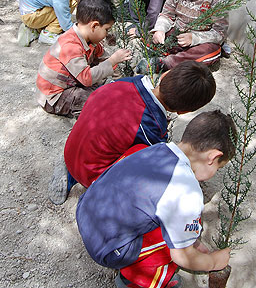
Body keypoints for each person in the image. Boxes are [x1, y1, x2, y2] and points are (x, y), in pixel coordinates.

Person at [76, 110, 236, 288]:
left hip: (85, 210)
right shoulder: (188, 191)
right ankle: (139, 280)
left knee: (180, 223)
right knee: (172, 240)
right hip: (105, 247)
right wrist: (214, 263)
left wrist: (193, 239)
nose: (215, 171)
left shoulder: (158, 148)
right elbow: (182, 256)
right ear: (212, 157)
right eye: (219, 166)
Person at [49, 60, 216, 205]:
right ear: (184, 112)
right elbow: (151, 165)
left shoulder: (126, 83)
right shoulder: (151, 126)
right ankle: (86, 186)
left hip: (71, 149)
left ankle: (69, 168)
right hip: (92, 177)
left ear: (165, 75)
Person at [36, 0, 132, 117]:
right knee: (95, 99)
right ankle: (84, 115)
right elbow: (87, 78)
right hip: (55, 97)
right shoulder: (70, 46)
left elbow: (105, 58)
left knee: (103, 86)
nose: (107, 34)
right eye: (106, 29)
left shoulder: (90, 40)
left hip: (72, 83)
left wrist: (122, 83)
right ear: (94, 26)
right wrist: (113, 61)